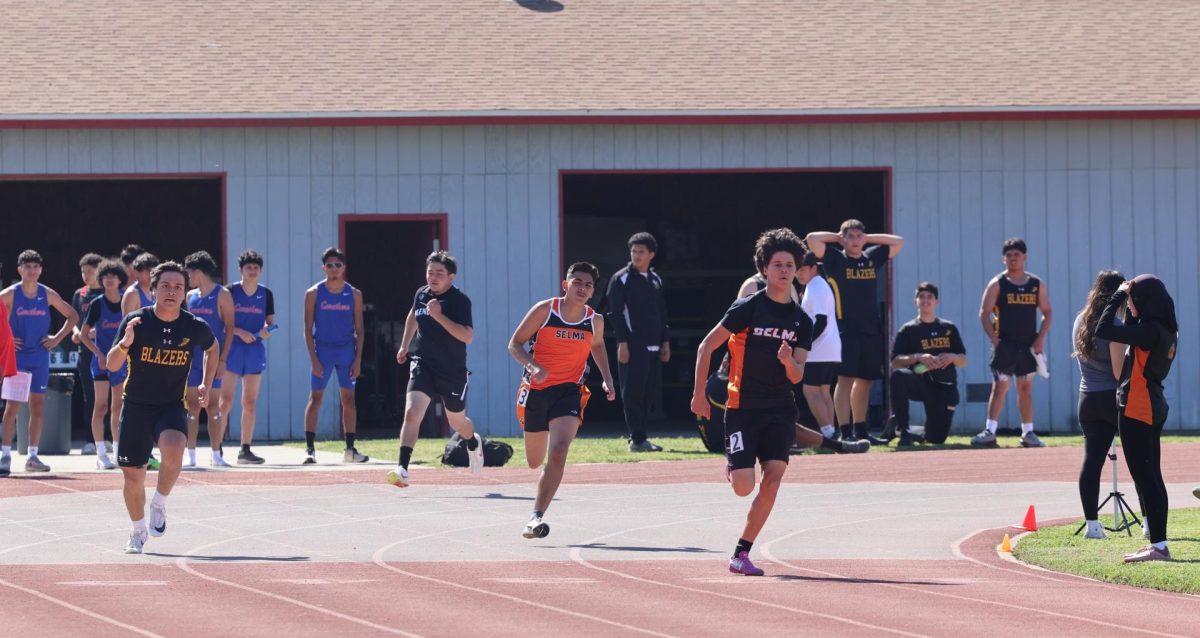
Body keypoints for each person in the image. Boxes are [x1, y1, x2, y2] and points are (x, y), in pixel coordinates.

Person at [691, 228, 813, 576]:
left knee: (773, 479)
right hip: (743, 407)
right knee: (744, 487)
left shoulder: (802, 321)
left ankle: (741, 553)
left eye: (790, 264)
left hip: (779, 409)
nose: (784, 270)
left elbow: (797, 376)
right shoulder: (748, 307)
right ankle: (734, 464)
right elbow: (706, 346)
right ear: (764, 269)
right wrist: (699, 394)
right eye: (777, 264)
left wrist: (790, 361)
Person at [107, 261, 217, 554]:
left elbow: (212, 347)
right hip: (136, 405)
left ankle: (159, 502)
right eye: (165, 286)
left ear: (185, 292)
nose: (171, 291)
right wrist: (125, 344)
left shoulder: (194, 326)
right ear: (153, 289)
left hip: (171, 404)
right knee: (133, 475)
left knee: (174, 446)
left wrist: (206, 381)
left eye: (178, 287)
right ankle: (138, 530)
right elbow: (111, 364)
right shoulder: (136, 321)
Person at [508, 262, 616, 538]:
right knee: (534, 461)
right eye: (577, 282)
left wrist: (607, 377)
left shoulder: (595, 321)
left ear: (593, 291)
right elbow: (515, 343)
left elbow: (598, 344)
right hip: (536, 390)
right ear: (565, 284)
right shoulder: (546, 310)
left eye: (588, 284)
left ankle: (535, 517)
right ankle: (538, 487)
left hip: (569, 392)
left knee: (558, 452)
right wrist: (533, 367)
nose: (582, 288)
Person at [1095, 275, 1178, 563]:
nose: (1129, 303)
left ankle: (1159, 546)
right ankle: (1159, 543)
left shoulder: (1150, 331)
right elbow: (1131, 336)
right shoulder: (1162, 329)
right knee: (1152, 477)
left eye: (1133, 298)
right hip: (1151, 405)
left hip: (1137, 408)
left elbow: (1103, 328)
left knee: (1146, 479)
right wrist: (1130, 305)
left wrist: (1117, 295)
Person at [388, 251, 482, 487]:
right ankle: (402, 468)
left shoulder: (459, 301)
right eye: (430, 272)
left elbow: (467, 336)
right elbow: (413, 315)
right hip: (423, 363)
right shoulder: (421, 294)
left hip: (452, 371)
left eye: (440, 273)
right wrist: (404, 345)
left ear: (451, 277)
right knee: (412, 413)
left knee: (457, 423)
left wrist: (438, 316)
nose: (433, 277)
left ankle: (472, 441)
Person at [806, 220, 904, 442]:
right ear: (843, 239)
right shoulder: (835, 259)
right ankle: (845, 431)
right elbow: (812, 238)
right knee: (846, 379)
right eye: (851, 237)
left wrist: (869, 239)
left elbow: (899, 242)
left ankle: (861, 430)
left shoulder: (871, 257)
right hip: (845, 329)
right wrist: (837, 236)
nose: (856, 241)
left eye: (859, 236)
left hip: (870, 328)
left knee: (866, 381)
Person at [1, 250, 79, 475]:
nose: (32, 270)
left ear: (41, 270)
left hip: (40, 357)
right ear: (19, 270)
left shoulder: (47, 294)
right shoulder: (10, 294)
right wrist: (4, 339)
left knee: (37, 406)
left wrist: (56, 338)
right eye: (27, 266)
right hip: (18, 358)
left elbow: (72, 315)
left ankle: (33, 456)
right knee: (13, 406)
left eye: (36, 267)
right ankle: (5, 456)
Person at [973, 238, 1053, 447]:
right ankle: (990, 431)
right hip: (1005, 346)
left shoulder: (1035, 284)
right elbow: (984, 313)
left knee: (1025, 388)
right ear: (1004, 259)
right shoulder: (998, 283)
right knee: (1000, 386)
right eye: (1008, 255)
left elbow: (1047, 312)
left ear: (1024, 257)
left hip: (1027, 347)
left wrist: (1039, 339)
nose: (1012, 258)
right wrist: (995, 340)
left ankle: (1028, 433)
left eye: (1016, 254)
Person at [1071, 270, 1127, 539]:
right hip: (1111, 399)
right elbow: (1118, 373)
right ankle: (1150, 523)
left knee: (1091, 462)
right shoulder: (1113, 324)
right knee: (1141, 460)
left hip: (1087, 397)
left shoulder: (1080, 320)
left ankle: (1092, 525)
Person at [302, 247, 369, 464]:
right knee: (316, 398)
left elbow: (360, 329)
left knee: (348, 399)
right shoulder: (313, 293)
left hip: (346, 352)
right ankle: (310, 449)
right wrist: (313, 359)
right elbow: (307, 329)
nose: (333, 269)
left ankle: (350, 448)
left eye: (337, 265)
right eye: (329, 265)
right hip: (323, 351)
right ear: (323, 268)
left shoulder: (354, 294)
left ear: (343, 268)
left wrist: (358, 359)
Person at [605, 232, 670, 453]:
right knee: (631, 392)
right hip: (632, 347)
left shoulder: (656, 280)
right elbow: (614, 313)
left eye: (641, 251)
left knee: (648, 393)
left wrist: (665, 342)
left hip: (654, 346)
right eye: (633, 251)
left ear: (651, 254)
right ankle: (637, 439)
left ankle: (641, 437)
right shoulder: (620, 279)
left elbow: (662, 313)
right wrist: (622, 343)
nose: (636, 255)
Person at [888, 283, 967, 446]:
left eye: (930, 296)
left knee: (935, 438)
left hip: (945, 389)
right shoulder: (908, 329)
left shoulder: (948, 328)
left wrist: (951, 357)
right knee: (898, 377)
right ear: (915, 301)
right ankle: (904, 430)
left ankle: (897, 428)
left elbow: (963, 360)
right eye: (921, 296)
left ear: (936, 301)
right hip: (920, 383)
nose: (926, 300)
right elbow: (895, 362)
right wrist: (917, 357)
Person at [220, 250, 275, 468]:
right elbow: (223, 322)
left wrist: (266, 330)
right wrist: (239, 331)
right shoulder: (230, 291)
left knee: (249, 402)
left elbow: (271, 323)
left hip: (254, 350)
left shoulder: (266, 294)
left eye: (256, 268)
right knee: (226, 402)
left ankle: (245, 449)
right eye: (248, 267)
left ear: (260, 271)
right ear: (240, 270)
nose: (252, 271)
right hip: (232, 348)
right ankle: (218, 446)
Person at [184, 251, 236, 467]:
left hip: (213, 357)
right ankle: (191, 456)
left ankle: (217, 455)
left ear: (197, 271)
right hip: (192, 359)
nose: (188, 278)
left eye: (189, 273)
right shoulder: (190, 296)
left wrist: (223, 360)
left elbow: (230, 328)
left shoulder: (222, 294)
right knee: (192, 406)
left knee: (213, 406)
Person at [78, 260, 131, 470]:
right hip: (101, 362)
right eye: (106, 277)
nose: (110, 280)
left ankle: (118, 452)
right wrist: (99, 353)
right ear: (101, 280)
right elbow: (83, 335)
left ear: (120, 279)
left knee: (118, 407)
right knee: (101, 406)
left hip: (120, 360)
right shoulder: (97, 304)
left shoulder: (128, 301)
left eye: (114, 276)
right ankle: (101, 453)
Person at [795, 251, 840, 441]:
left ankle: (828, 434)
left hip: (819, 349)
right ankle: (832, 433)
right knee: (823, 391)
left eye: (802, 269)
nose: (798, 274)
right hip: (830, 348)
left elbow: (820, 321)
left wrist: (804, 343)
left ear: (814, 268)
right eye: (797, 270)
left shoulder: (816, 287)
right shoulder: (816, 285)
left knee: (810, 390)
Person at [71, 253, 105, 454]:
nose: (86, 276)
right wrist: (77, 333)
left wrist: (96, 332)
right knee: (89, 396)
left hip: (104, 350)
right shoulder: (79, 294)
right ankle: (89, 440)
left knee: (109, 399)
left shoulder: (107, 294)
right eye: (83, 272)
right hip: (85, 352)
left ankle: (108, 437)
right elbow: (75, 319)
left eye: (90, 272)